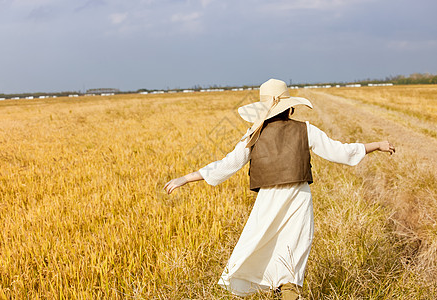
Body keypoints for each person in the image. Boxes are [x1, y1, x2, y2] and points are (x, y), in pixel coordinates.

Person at [164, 79, 395, 299]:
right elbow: (341, 152)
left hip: (268, 200)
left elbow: (227, 165)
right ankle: (286, 291)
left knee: (258, 245)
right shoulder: (305, 129)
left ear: (263, 108)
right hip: (298, 198)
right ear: (290, 109)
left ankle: (266, 287)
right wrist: (376, 145)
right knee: (294, 249)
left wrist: (186, 178)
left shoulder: (253, 135)